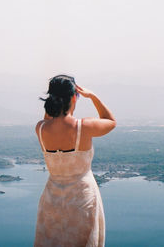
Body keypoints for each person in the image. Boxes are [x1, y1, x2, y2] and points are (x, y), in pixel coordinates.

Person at [34, 74, 116, 247]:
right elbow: (110, 121)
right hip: (82, 199)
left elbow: (49, 118)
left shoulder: (40, 128)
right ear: (74, 97)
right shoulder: (84, 127)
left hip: (52, 200)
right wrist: (92, 96)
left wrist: (55, 100)